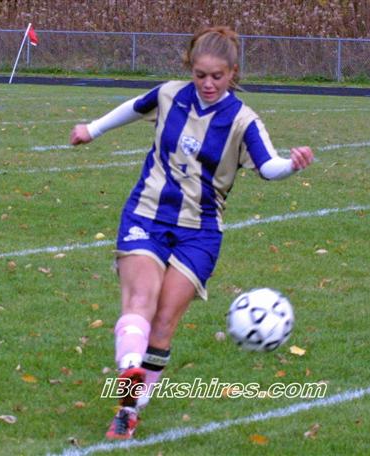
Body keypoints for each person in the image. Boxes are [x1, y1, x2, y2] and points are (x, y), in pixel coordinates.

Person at [69, 26, 314, 440]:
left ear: (232, 73)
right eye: (200, 75)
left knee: (164, 322)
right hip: (147, 214)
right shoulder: (170, 95)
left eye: (217, 76)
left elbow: (268, 166)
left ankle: (130, 405)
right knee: (140, 299)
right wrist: (92, 129)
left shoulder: (243, 121)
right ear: (190, 69)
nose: (208, 83)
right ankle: (129, 374)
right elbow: (134, 107)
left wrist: (291, 165)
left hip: (200, 231)